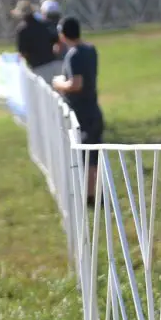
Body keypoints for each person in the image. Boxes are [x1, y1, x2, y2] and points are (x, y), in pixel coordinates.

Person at [52, 17, 103, 208]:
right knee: (94, 156)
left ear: (63, 35)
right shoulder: (91, 49)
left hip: (82, 112)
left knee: (87, 158)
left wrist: (59, 84)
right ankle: (96, 194)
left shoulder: (74, 55)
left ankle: (91, 197)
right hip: (93, 108)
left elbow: (76, 84)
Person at [13, 0, 61, 84]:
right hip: (53, 64)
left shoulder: (22, 29)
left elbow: (23, 52)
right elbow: (56, 42)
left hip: (38, 68)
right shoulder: (44, 24)